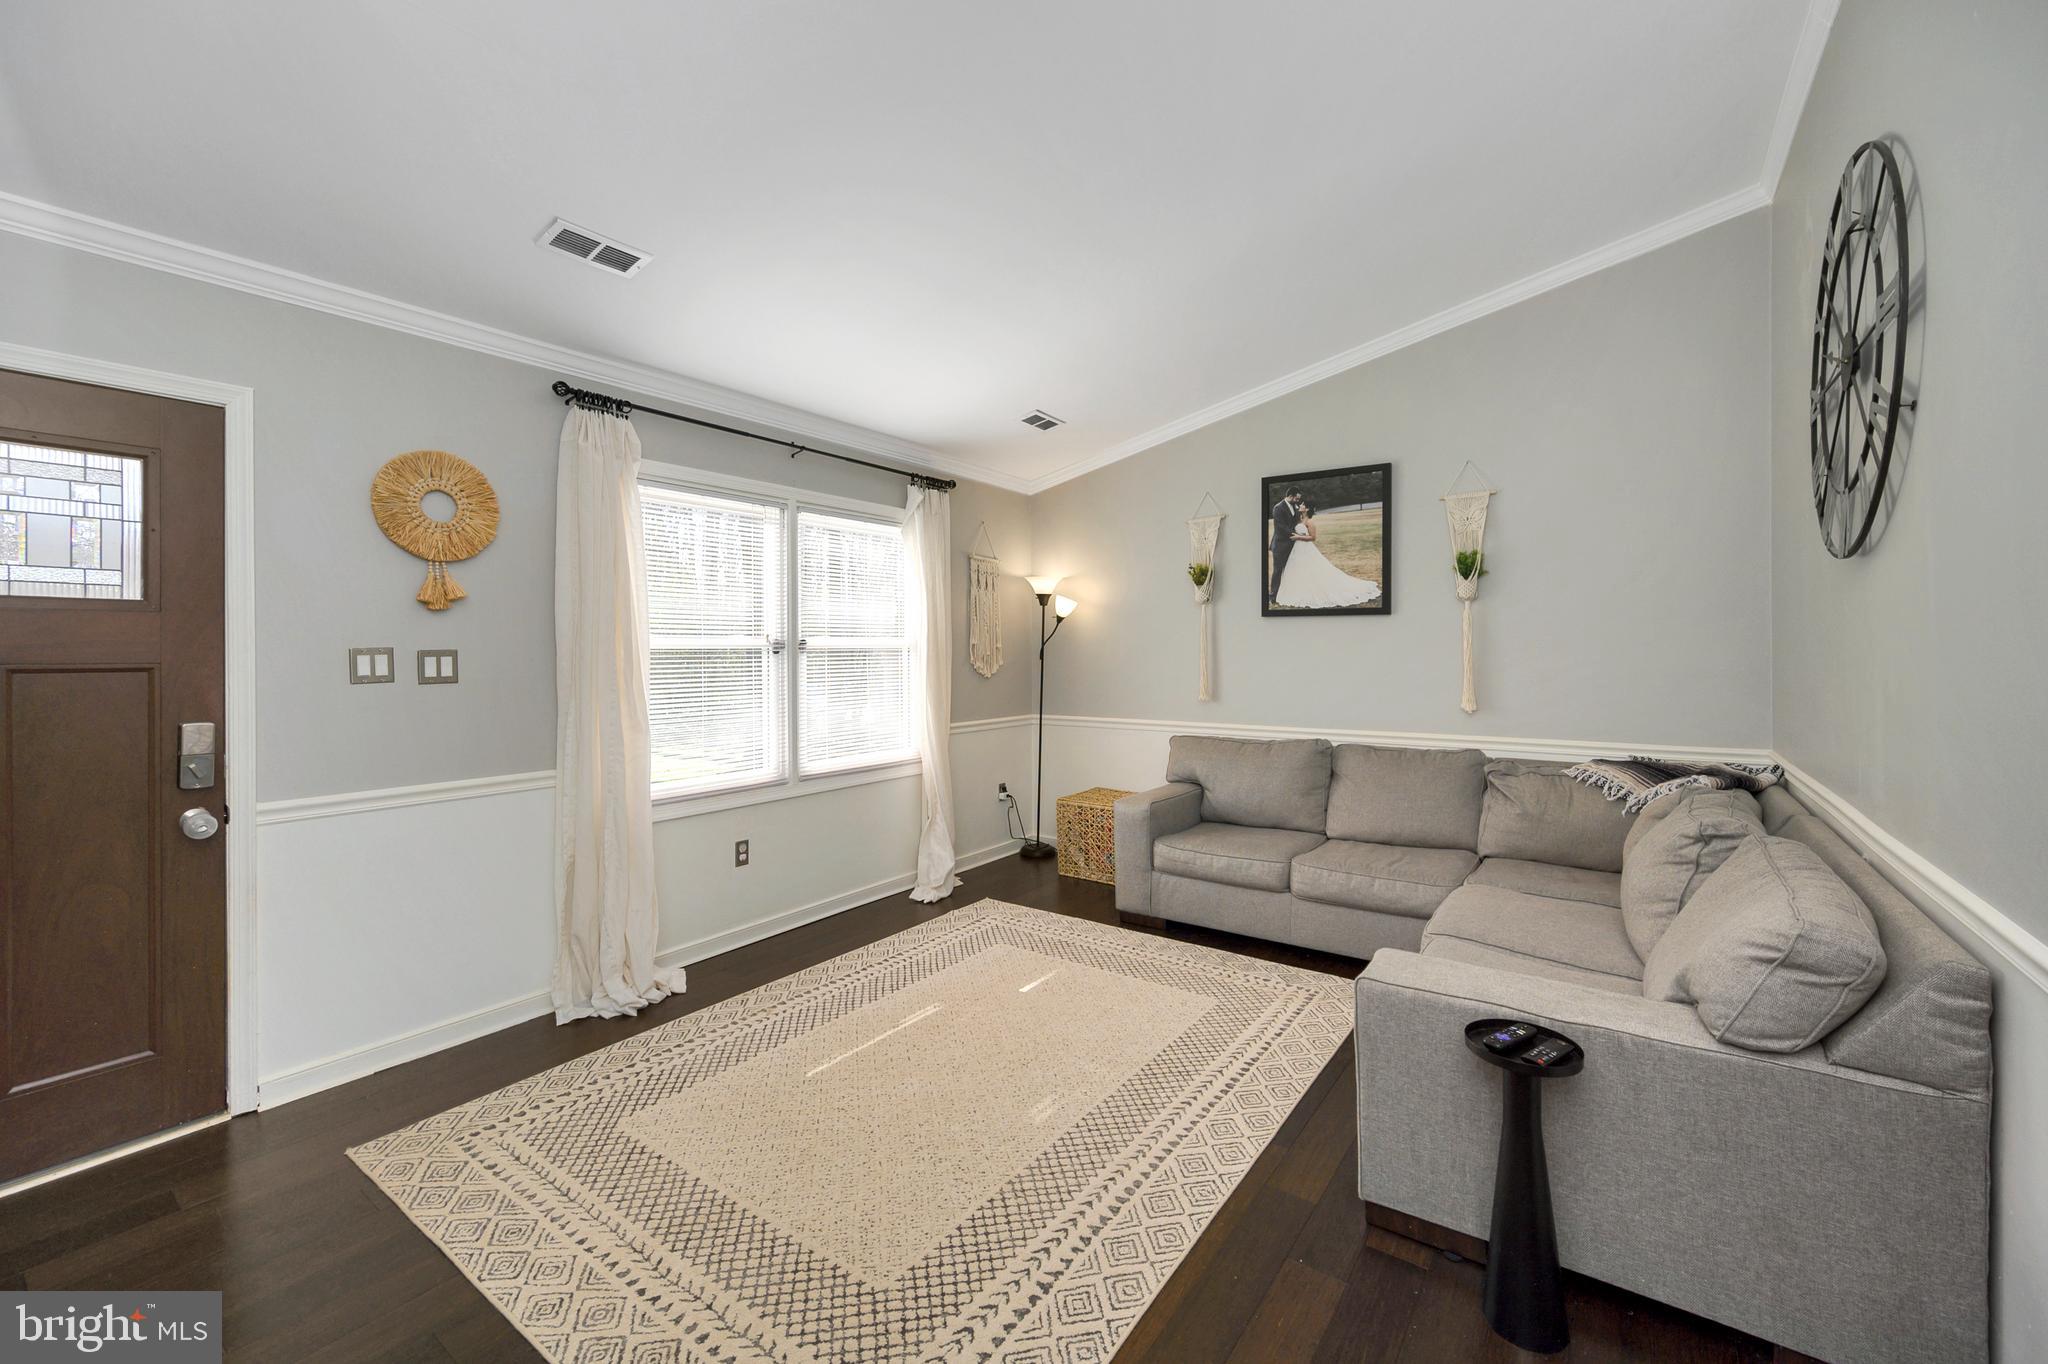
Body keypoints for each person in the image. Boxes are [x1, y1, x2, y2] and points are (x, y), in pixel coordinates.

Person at [1271, 500, 1382, 608]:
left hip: (1305, 548)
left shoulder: (1309, 522)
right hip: (1296, 549)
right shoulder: (1298, 519)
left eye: (1303, 504)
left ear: (1307, 508)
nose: (1300, 505)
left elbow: (1313, 537)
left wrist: (1298, 537)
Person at [1267, 488, 1306, 598]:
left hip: (1291, 544)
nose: (1298, 501)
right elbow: (1281, 527)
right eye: (1296, 498)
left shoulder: (1294, 506)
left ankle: (1288, 593)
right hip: (1280, 545)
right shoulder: (1278, 508)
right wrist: (1297, 534)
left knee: (1291, 568)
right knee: (1278, 570)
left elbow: (1296, 521)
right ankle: (1273, 595)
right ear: (1290, 496)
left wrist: (1301, 512)